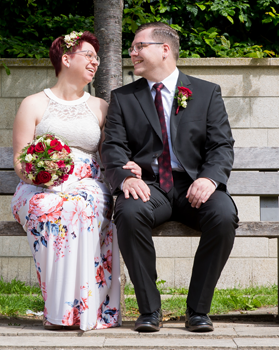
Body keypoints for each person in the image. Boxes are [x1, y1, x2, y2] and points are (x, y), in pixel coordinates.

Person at [100, 22, 239, 333]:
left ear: (164, 50)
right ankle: (149, 310)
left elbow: (221, 145)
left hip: (193, 187)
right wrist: (124, 178)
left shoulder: (205, 93)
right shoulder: (123, 98)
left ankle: (198, 311)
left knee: (224, 214)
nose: (132, 52)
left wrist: (210, 179)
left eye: (139, 46)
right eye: (132, 47)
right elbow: (112, 148)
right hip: (150, 187)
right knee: (128, 211)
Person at [10, 31, 139, 331]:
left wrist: (126, 165)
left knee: (81, 205)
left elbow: (112, 153)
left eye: (97, 57)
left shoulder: (100, 107)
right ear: (66, 59)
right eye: (89, 55)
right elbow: (19, 158)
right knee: (49, 207)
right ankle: (59, 311)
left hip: (88, 184)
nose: (95, 62)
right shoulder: (32, 104)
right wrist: (41, 175)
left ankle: (85, 310)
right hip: (39, 185)